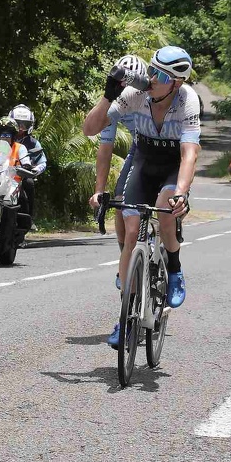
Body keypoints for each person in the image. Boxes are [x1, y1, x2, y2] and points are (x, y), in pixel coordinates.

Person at [84, 45, 200, 349]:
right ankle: (125, 318)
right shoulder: (136, 94)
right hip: (145, 164)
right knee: (130, 228)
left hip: (173, 168)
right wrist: (108, 95)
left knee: (164, 214)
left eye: (159, 74)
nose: (151, 78)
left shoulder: (188, 100)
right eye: (151, 69)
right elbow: (90, 130)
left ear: (176, 82)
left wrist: (182, 193)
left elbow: (189, 153)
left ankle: (173, 267)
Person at [92, 54, 148, 291]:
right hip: (138, 149)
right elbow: (105, 150)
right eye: (122, 85)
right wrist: (98, 191)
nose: (126, 90)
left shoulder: (152, 95)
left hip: (159, 147)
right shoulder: (116, 105)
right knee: (118, 199)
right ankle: (125, 253)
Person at [8, 104, 46, 220]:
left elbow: (42, 162)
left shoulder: (33, 143)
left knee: (29, 183)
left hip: (21, 175)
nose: (20, 127)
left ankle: (28, 216)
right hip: (1, 172)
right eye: (17, 123)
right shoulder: (3, 137)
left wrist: (34, 170)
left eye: (24, 124)